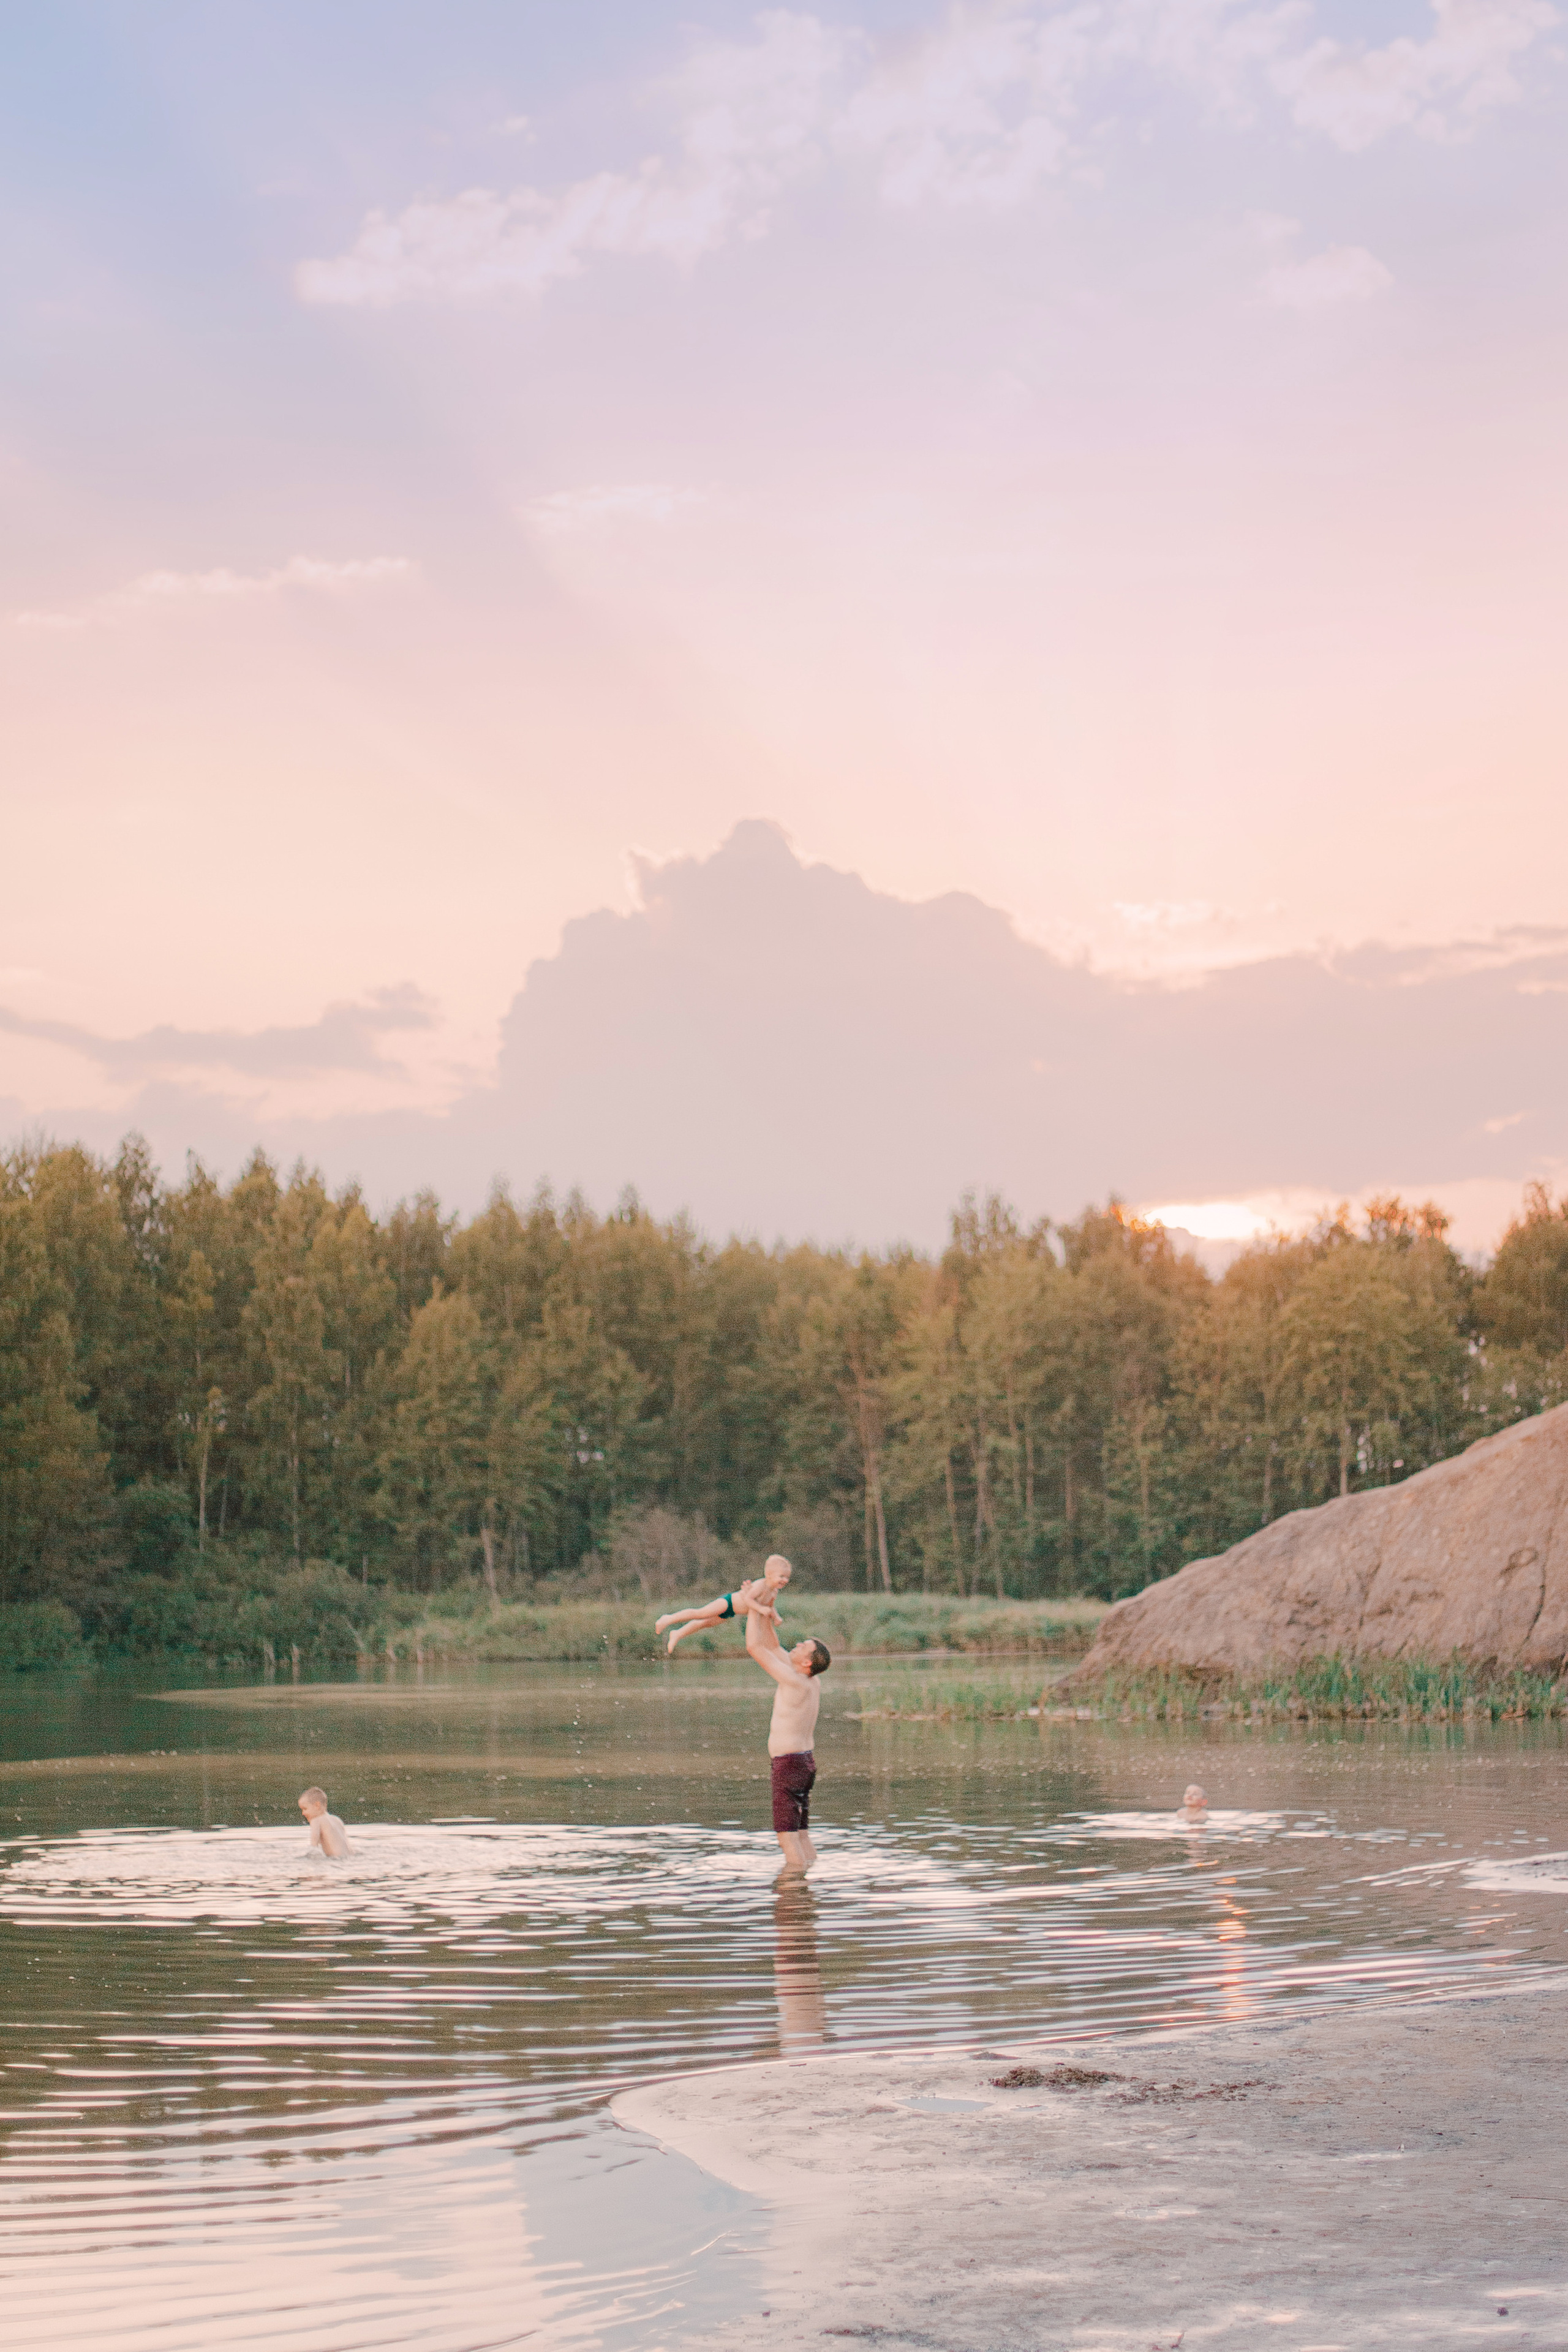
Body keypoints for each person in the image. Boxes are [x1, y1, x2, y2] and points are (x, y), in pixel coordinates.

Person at [744, 1594, 830, 1871]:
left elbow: (754, 1646)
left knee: (787, 1837)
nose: (797, 1645)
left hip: (790, 1765)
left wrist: (750, 1605)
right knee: (801, 1834)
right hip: (804, 1763)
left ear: (807, 1663)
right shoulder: (809, 1680)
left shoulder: (794, 1681)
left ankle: (794, 1888)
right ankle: (809, 1875)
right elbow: (772, 1645)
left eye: (804, 1647)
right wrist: (765, 1609)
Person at [657, 1553, 793, 1656]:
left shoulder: (774, 1591)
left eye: (787, 1577)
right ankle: (668, 1619)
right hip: (728, 1602)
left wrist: (776, 1617)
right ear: (769, 1574)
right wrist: (760, 1609)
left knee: (704, 1623)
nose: (785, 1580)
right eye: (781, 1576)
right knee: (701, 1613)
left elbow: (770, 1606)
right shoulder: (761, 1585)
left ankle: (678, 1634)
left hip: (732, 1612)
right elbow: (748, 1599)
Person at [298, 1785, 352, 1858]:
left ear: (317, 1805)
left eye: (305, 1809)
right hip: (349, 1858)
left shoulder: (316, 1821)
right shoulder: (337, 1820)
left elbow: (313, 1847)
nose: (303, 1813)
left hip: (336, 1860)